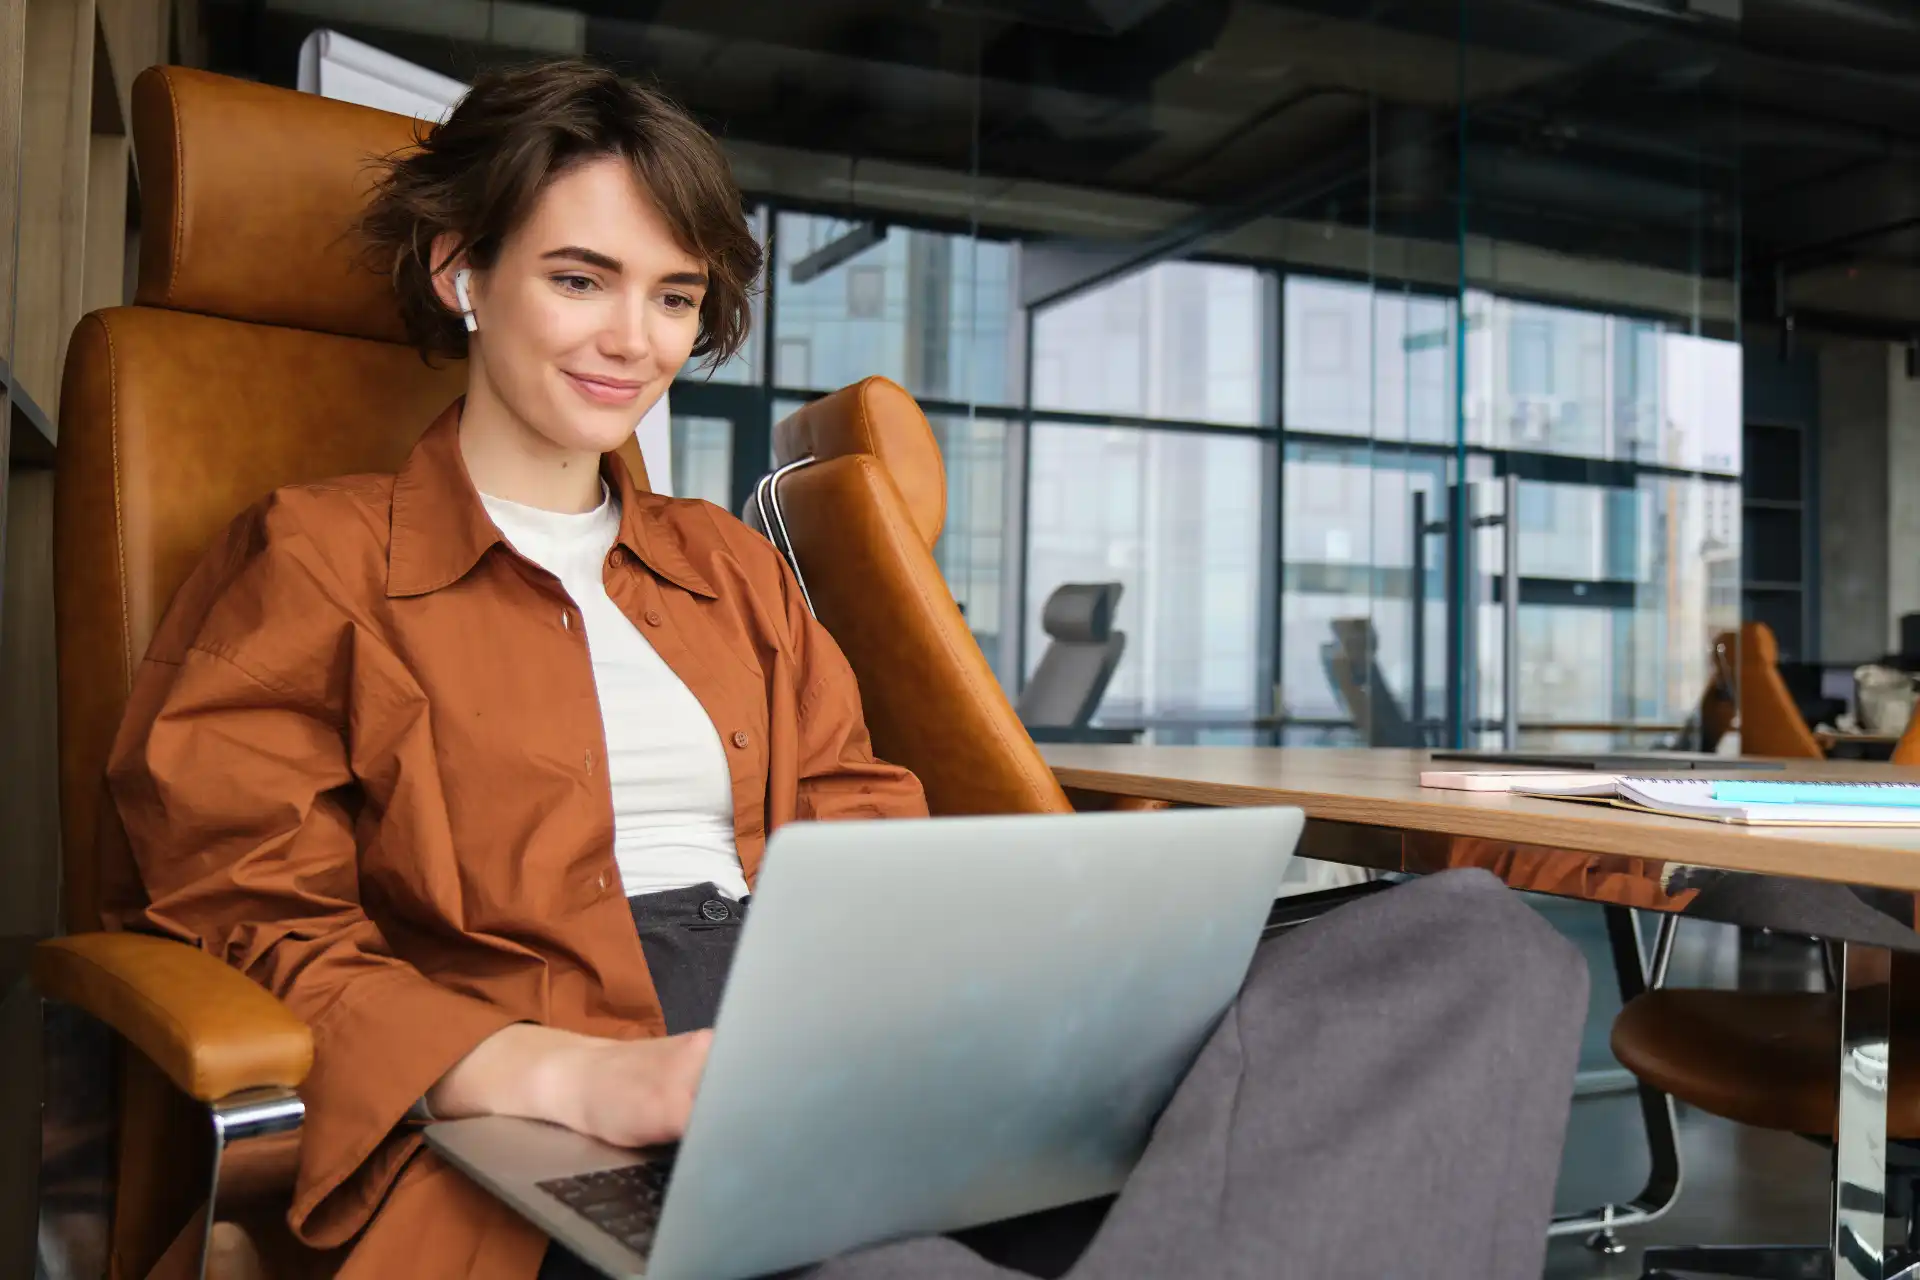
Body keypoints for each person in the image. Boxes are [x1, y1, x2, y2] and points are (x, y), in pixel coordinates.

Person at [106, 60, 1588, 1280]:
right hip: (572, 1076)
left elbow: (860, 813)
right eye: (579, 277)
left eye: (675, 296)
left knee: (1469, 945)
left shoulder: (731, 567)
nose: (636, 339)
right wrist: (569, 1076)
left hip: (833, 1021)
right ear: (461, 273)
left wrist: (965, 1009)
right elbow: (250, 918)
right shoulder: (313, 559)